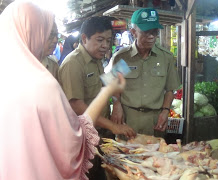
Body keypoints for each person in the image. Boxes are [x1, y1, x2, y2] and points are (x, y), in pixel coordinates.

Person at [0, 1, 126, 179]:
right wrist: (108, 94)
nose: (52, 40)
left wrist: (115, 98)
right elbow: (73, 141)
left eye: (108, 40)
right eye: (46, 32)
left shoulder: (8, 77)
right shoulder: (42, 82)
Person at [58, 16, 136, 180]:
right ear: (84, 38)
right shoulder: (73, 64)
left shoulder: (96, 60)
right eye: (100, 40)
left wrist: (117, 102)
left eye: (108, 40)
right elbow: (77, 106)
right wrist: (113, 126)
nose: (105, 46)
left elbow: (101, 85)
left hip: (99, 135)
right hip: (82, 139)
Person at [107, 8, 180, 136]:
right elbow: (112, 85)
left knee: (154, 155)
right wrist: (116, 104)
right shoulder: (123, 57)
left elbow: (170, 89)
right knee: (125, 154)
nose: (151, 37)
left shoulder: (165, 57)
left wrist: (165, 111)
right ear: (133, 32)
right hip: (127, 119)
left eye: (155, 32)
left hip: (155, 121)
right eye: (146, 32)